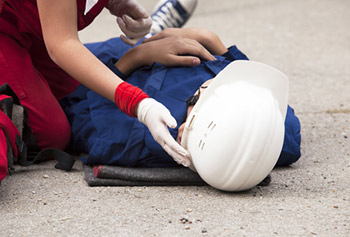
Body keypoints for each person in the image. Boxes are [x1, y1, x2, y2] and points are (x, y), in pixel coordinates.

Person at [0, 0, 204, 174]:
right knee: (50, 133)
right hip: (13, 33)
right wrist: (139, 104)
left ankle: (149, 38)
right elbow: (62, 45)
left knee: (85, 88)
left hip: (35, 31)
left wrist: (117, 3)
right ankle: (146, 40)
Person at [61, 28, 301, 168]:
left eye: (202, 97)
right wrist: (211, 41)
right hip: (181, 46)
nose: (212, 85)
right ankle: (162, 28)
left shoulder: (127, 139)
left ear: (185, 129)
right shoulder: (279, 135)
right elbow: (254, 85)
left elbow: (77, 103)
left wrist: (135, 57)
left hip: (116, 64)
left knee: (55, 52)